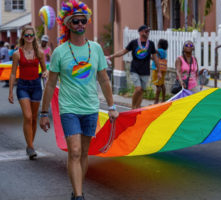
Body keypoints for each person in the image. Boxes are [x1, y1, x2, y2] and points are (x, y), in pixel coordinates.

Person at [39, 1, 118, 200]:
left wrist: (112, 106)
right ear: (68, 24)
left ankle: (76, 190)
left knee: (83, 153)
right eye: (76, 21)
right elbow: (50, 85)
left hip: (90, 107)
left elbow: (104, 78)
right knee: (74, 151)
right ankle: (80, 196)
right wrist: (43, 113)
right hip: (69, 109)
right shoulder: (60, 52)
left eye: (84, 20)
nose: (81, 24)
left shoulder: (96, 49)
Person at [8, 25, 48, 159]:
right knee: (28, 116)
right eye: (27, 35)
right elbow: (13, 73)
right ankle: (30, 147)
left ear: (34, 37)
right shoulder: (17, 53)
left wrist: (45, 74)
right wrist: (10, 92)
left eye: (31, 35)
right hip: (23, 86)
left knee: (34, 117)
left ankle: (30, 144)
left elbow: (44, 69)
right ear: (23, 37)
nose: (29, 38)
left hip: (36, 86)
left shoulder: (40, 52)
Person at [107, 25, 161, 109]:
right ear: (140, 32)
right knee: (138, 89)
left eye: (148, 31)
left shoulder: (151, 44)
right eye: (146, 31)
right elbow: (123, 52)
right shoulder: (134, 43)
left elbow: (155, 58)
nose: (147, 33)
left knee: (141, 91)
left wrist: (159, 71)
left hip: (145, 71)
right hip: (134, 70)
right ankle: (133, 107)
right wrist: (111, 56)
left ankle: (137, 108)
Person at [151, 39, 168, 104]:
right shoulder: (165, 51)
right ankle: (163, 99)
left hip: (157, 69)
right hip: (163, 69)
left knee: (158, 85)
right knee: (162, 84)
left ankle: (156, 101)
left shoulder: (159, 50)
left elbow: (155, 55)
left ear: (159, 45)